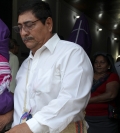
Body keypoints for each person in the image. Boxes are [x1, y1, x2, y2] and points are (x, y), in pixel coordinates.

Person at [6, 1, 93, 133]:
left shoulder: (71, 53)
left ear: (48, 24)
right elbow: (23, 106)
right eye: (19, 28)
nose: (23, 33)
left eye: (29, 25)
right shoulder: (25, 64)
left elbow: (71, 100)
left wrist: (29, 127)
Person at [85, 52, 119, 133]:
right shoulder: (87, 76)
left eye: (102, 62)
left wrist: (87, 100)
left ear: (109, 65)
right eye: (96, 62)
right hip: (86, 117)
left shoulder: (112, 76)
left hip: (105, 119)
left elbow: (110, 95)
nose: (98, 65)